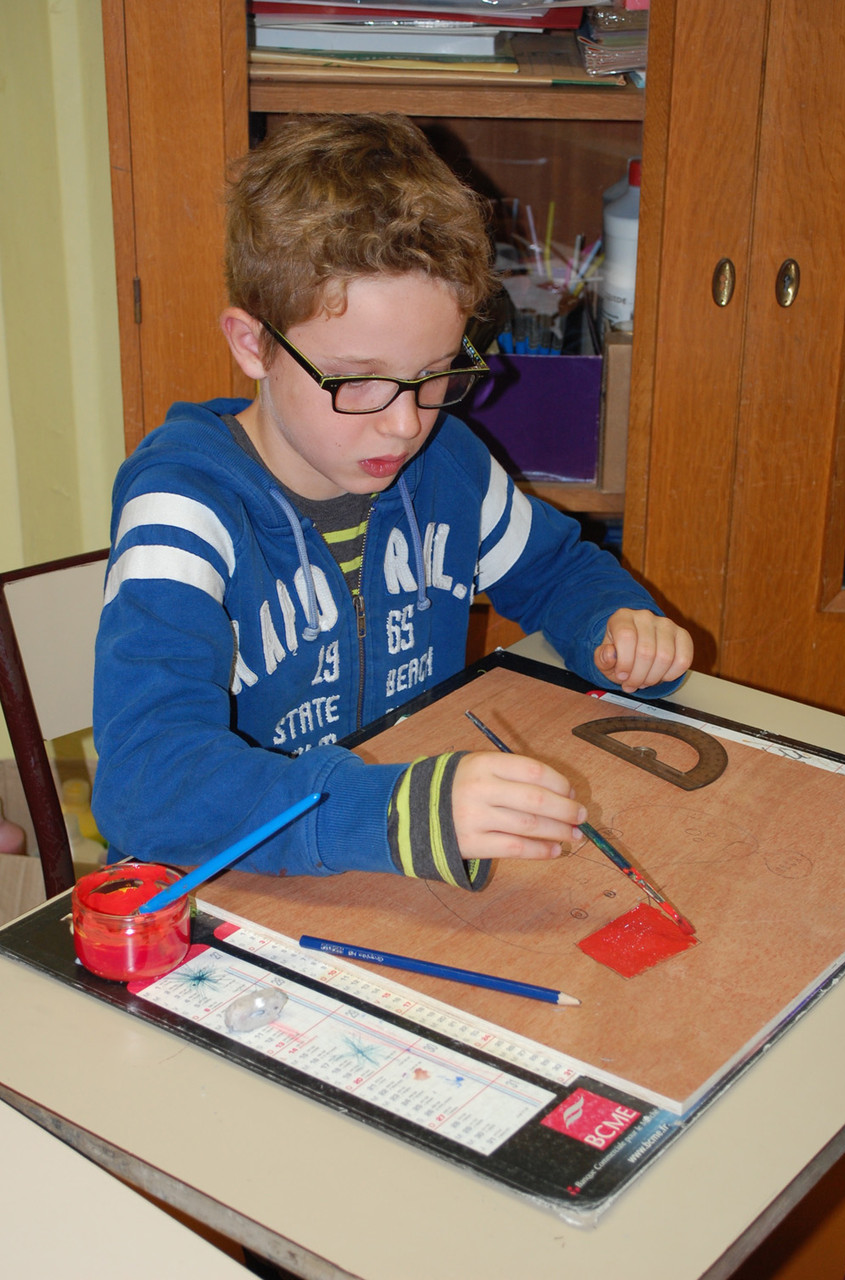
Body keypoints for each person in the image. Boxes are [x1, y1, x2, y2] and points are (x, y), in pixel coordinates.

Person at [92, 113, 692, 892]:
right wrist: (393, 811)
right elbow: (149, 785)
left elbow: (552, 571)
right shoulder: (183, 509)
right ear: (252, 344)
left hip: (392, 860)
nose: (405, 422)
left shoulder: (446, 465)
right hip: (223, 880)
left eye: (436, 373)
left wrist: (614, 625)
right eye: (357, 379)